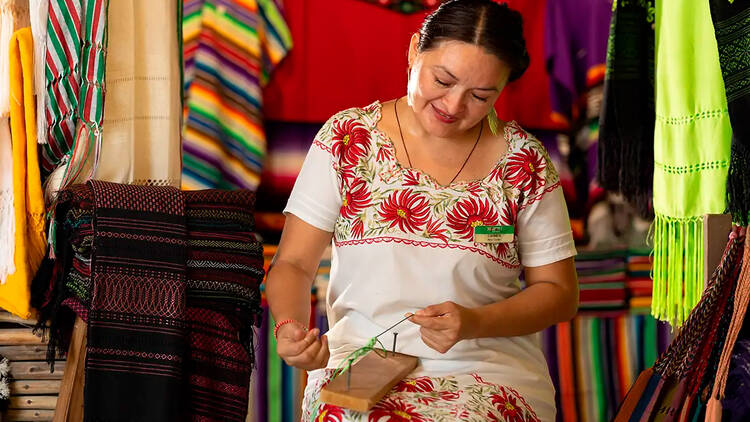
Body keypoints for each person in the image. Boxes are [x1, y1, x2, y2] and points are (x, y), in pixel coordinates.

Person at [265, 0, 579, 420]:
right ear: (414, 51)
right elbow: (293, 264)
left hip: (486, 372)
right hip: (361, 364)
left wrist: (473, 323)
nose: (453, 105)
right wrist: (289, 329)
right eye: (443, 80)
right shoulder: (348, 140)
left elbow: (559, 294)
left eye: (480, 96)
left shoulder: (524, 162)